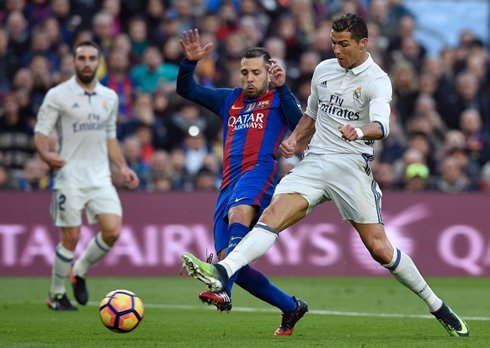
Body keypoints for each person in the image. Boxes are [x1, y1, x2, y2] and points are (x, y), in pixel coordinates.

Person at [181, 14, 470, 338]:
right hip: (315, 163)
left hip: (350, 167)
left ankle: (437, 306)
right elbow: (311, 116)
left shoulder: (377, 79)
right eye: (333, 42)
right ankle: (224, 271)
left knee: (379, 249)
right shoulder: (324, 70)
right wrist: (295, 139)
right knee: (272, 216)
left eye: (344, 44)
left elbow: (382, 126)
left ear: (363, 43)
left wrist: (359, 131)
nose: (337, 50)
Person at [177, 29, 306, 336]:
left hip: (258, 174)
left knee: (239, 215)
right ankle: (291, 306)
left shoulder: (277, 98)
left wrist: (283, 87)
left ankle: (223, 291)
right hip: (228, 183)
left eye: (256, 72)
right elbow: (187, 90)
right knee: (231, 262)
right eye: (245, 72)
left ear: (268, 72)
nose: (250, 78)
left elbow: (300, 123)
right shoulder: (229, 99)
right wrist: (188, 63)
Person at [34, 41, 139, 311]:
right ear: (74, 61)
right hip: (69, 176)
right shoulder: (58, 95)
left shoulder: (110, 97)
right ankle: (56, 295)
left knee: (113, 231)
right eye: (81, 58)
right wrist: (46, 156)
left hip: (100, 176)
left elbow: (110, 138)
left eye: (92, 58)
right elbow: (40, 133)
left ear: (99, 62)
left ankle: (78, 271)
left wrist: (123, 167)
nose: (87, 63)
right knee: (71, 236)